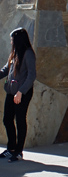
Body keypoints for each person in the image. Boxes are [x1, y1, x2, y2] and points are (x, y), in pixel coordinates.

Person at [0, 27, 37, 162]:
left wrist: (21, 92)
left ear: (18, 40)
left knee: (20, 120)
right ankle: (11, 148)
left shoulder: (28, 54)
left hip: (22, 93)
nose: (11, 42)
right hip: (11, 92)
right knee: (7, 119)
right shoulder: (15, 53)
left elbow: (32, 75)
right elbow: (6, 70)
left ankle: (19, 151)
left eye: (12, 39)